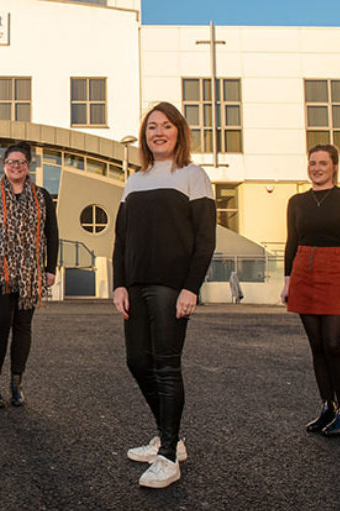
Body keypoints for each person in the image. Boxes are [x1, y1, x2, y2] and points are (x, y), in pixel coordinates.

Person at [112, 102, 215, 488]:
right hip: (135, 285)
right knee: (137, 361)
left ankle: (169, 456)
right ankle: (170, 437)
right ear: (145, 135)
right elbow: (121, 239)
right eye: (152, 126)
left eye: (166, 126)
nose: (159, 132)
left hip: (171, 286)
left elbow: (205, 239)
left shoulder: (192, 175)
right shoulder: (134, 180)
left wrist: (191, 287)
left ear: (179, 132)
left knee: (166, 367)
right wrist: (119, 283)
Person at [281, 144, 340, 437]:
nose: (316, 168)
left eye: (323, 163)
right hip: (304, 271)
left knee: (333, 343)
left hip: (338, 271)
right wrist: (288, 280)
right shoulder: (296, 201)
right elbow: (292, 242)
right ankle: (327, 406)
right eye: (312, 163)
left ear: (334, 167)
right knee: (316, 345)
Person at [0, 141, 59, 408]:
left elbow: (52, 233)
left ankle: (16, 384)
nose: (15, 166)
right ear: (4, 165)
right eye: (11, 162)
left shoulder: (42, 195)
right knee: (0, 323)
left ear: (28, 165)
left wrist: (50, 268)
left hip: (31, 273)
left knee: (23, 328)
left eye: (20, 162)